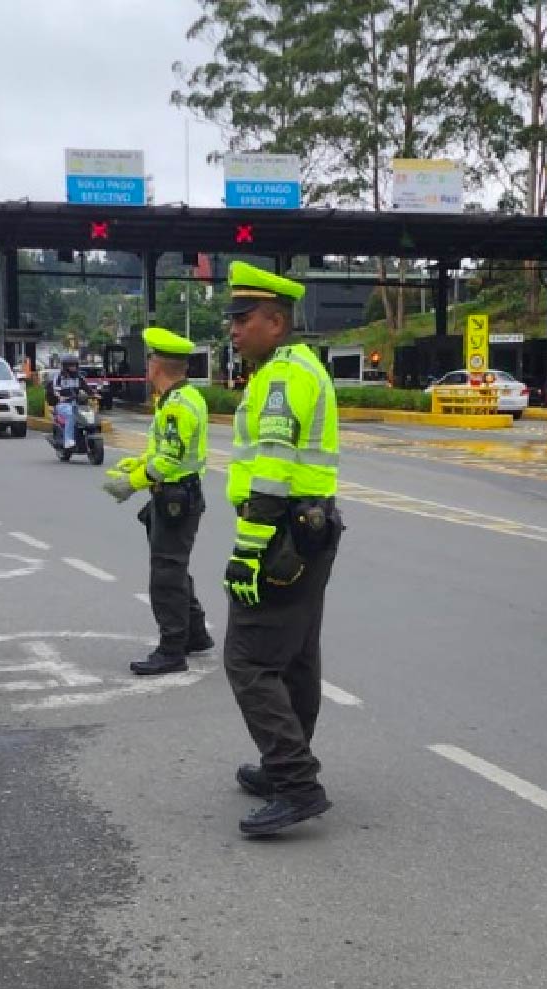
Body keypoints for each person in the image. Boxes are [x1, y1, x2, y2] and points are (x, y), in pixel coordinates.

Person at [217, 261, 343, 838]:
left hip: (283, 530)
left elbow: (271, 471)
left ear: (276, 320)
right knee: (295, 656)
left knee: (248, 658)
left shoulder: (281, 377)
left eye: (244, 319)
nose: (233, 330)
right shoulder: (290, 369)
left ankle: (295, 781)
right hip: (306, 528)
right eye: (233, 320)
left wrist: (247, 550)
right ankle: (283, 766)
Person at [102, 326, 213, 676]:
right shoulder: (179, 398)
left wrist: (130, 484)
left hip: (176, 498)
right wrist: (135, 464)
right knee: (174, 567)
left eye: (150, 359)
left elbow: (169, 460)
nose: (148, 365)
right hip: (177, 494)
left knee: (165, 575)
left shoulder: (177, 406)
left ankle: (172, 650)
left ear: (157, 367)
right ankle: (194, 634)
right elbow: (160, 452)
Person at [50, 355, 93, 448]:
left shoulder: (79, 377)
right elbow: (55, 390)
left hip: (77, 404)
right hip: (63, 405)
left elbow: (87, 388)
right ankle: (68, 440)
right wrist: (60, 397)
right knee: (70, 415)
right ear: (65, 366)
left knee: (88, 413)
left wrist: (95, 394)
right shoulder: (59, 377)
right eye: (71, 365)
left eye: (75, 365)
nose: (73, 367)